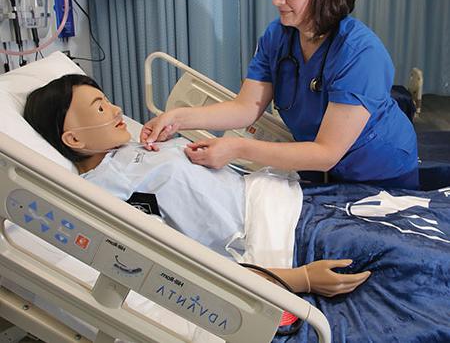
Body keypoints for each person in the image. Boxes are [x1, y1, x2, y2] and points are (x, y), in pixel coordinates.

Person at [23, 73, 370, 299]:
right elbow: (183, 266)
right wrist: (299, 280)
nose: (116, 108)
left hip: (283, 197)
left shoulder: (130, 147)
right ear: (73, 139)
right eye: (100, 107)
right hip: (275, 236)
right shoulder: (106, 191)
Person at [141, 0, 418, 190]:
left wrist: (236, 148)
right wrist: (176, 118)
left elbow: (326, 152)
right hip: (319, 166)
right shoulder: (278, 36)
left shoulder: (360, 52)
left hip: (381, 168)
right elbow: (246, 106)